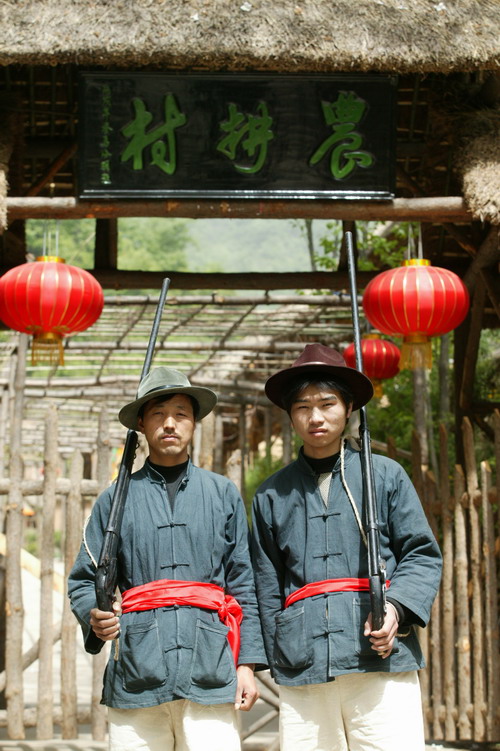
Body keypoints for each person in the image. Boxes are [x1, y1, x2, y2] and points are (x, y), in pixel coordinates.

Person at [251, 343, 442, 751]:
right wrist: (274, 656)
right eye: (302, 407)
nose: (315, 417)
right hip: (304, 659)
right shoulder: (271, 494)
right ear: (290, 414)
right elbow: (265, 583)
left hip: (378, 652)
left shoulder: (385, 475)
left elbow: (421, 554)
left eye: (327, 403)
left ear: (349, 406)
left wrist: (395, 609)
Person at [68, 366, 267, 751]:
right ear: (141, 424)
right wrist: (95, 614)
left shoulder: (222, 493)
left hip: (211, 664)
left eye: (181, 413)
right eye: (158, 414)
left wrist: (246, 665)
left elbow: (244, 581)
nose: (170, 424)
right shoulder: (114, 499)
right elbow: (83, 578)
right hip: (138, 668)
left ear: (195, 423)